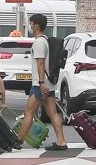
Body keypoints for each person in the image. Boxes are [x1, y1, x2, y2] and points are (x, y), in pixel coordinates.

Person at [16, 13, 68, 151]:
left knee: (28, 113)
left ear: (36, 25)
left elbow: (40, 64)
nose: (29, 25)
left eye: (31, 23)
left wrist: (40, 83)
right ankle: (61, 141)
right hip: (47, 84)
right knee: (52, 113)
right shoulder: (45, 40)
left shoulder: (39, 42)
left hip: (40, 84)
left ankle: (17, 141)